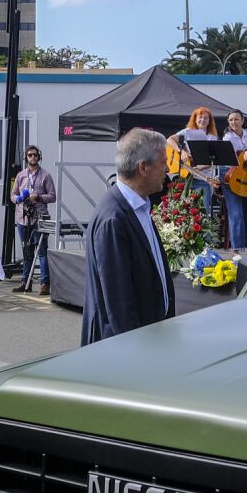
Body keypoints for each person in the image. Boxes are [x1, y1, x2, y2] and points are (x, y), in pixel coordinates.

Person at [81, 128, 175, 346]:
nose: (168, 168)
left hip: (147, 341)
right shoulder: (113, 218)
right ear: (143, 167)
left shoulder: (137, 207)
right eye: (162, 162)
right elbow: (119, 301)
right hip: (124, 352)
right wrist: (136, 353)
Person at [10, 145, 56, 294]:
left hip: (39, 218)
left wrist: (39, 197)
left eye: (35, 155)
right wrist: (18, 199)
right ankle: (26, 282)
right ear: (26, 157)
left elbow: (53, 196)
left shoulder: (45, 176)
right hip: (23, 218)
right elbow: (12, 195)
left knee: (42, 252)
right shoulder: (20, 175)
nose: (33, 158)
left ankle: (45, 283)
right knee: (26, 252)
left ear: (39, 157)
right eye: (30, 155)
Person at [221, 110, 247, 252]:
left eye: (236, 119)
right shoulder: (227, 138)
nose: (233, 122)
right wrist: (243, 156)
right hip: (231, 175)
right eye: (231, 120)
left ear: (242, 121)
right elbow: (229, 159)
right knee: (236, 213)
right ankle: (238, 248)